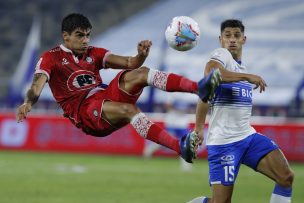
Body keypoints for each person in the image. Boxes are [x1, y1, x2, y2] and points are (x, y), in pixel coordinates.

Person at [15, 13, 221, 163]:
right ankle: (179, 147)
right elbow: (37, 84)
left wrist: (141, 55)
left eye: (88, 35)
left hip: (104, 96)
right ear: (65, 36)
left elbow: (131, 63)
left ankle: (199, 88)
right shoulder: (51, 58)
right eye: (80, 35)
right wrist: (28, 103)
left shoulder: (94, 53)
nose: (86, 40)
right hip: (85, 113)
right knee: (129, 110)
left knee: (141, 72)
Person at [188, 19, 294, 203]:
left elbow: (205, 96)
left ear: (244, 39)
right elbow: (211, 73)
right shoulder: (222, 56)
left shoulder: (240, 69)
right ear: (220, 39)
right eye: (227, 35)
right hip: (224, 143)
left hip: (248, 137)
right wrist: (198, 128)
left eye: (237, 35)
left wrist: (245, 74)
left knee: (285, 177)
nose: (232, 40)